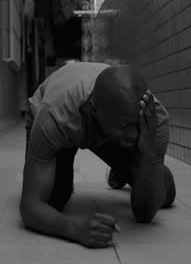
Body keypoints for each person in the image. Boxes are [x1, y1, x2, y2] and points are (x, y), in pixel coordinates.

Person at [19, 62, 177, 248]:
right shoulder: (54, 115)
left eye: (137, 125)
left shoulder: (153, 120)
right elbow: (30, 207)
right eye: (125, 127)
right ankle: (123, 166)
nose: (135, 135)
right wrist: (75, 228)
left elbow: (144, 215)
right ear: (93, 113)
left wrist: (148, 151)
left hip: (104, 127)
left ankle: (122, 170)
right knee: (55, 198)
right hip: (64, 118)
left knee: (165, 191)